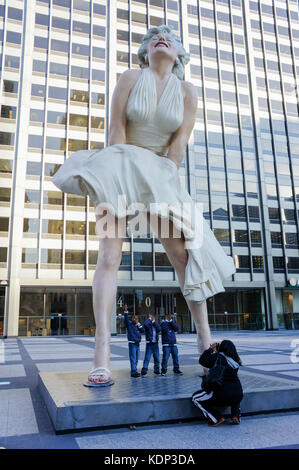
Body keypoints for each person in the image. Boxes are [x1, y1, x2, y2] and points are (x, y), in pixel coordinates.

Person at [52, 24, 236, 387]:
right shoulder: (130, 76)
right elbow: (116, 130)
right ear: (145, 50)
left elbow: (178, 145)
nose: (161, 38)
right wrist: (122, 176)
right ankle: (101, 355)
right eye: (154, 37)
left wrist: (164, 182)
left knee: (185, 257)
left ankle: (204, 343)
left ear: (180, 53)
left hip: (160, 174)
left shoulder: (187, 92)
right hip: (118, 169)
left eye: (169, 36)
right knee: (109, 258)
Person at [192, 340, 244, 426]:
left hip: (221, 395)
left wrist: (210, 349)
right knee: (236, 395)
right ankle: (236, 416)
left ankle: (216, 417)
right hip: (238, 394)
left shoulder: (217, 357)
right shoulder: (236, 361)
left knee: (195, 398)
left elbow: (202, 360)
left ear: (221, 348)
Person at [123, 304, 145, 377]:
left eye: (137, 319)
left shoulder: (138, 325)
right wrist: (125, 311)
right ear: (131, 319)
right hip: (132, 344)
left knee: (136, 359)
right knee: (133, 358)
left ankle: (134, 370)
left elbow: (143, 330)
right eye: (134, 318)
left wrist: (138, 324)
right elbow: (126, 319)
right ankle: (133, 372)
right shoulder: (129, 324)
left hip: (137, 344)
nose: (135, 320)